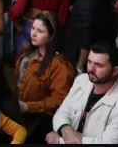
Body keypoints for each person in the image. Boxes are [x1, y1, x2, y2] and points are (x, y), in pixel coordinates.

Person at [46, 42, 118, 145]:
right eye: (89, 62)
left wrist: (59, 140)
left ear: (115, 71)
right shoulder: (81, 80)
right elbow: (62, 112)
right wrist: (65, 128)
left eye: (99, 65)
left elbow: (109, 143)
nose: (91, 69)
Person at [14, 12, 75, 140]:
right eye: (33, 28)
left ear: (51, 36)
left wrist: (28, 106)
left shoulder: (60, 65)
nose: (33, 33)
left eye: (40, 31)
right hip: (20, 115)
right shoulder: (28, 51)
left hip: (40, 122)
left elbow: (59, 100)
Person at [64, 0, 116, 73]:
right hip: (102, 49)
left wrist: (80, 65)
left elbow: (86, 36)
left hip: (84, 56)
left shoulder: (85, 2)